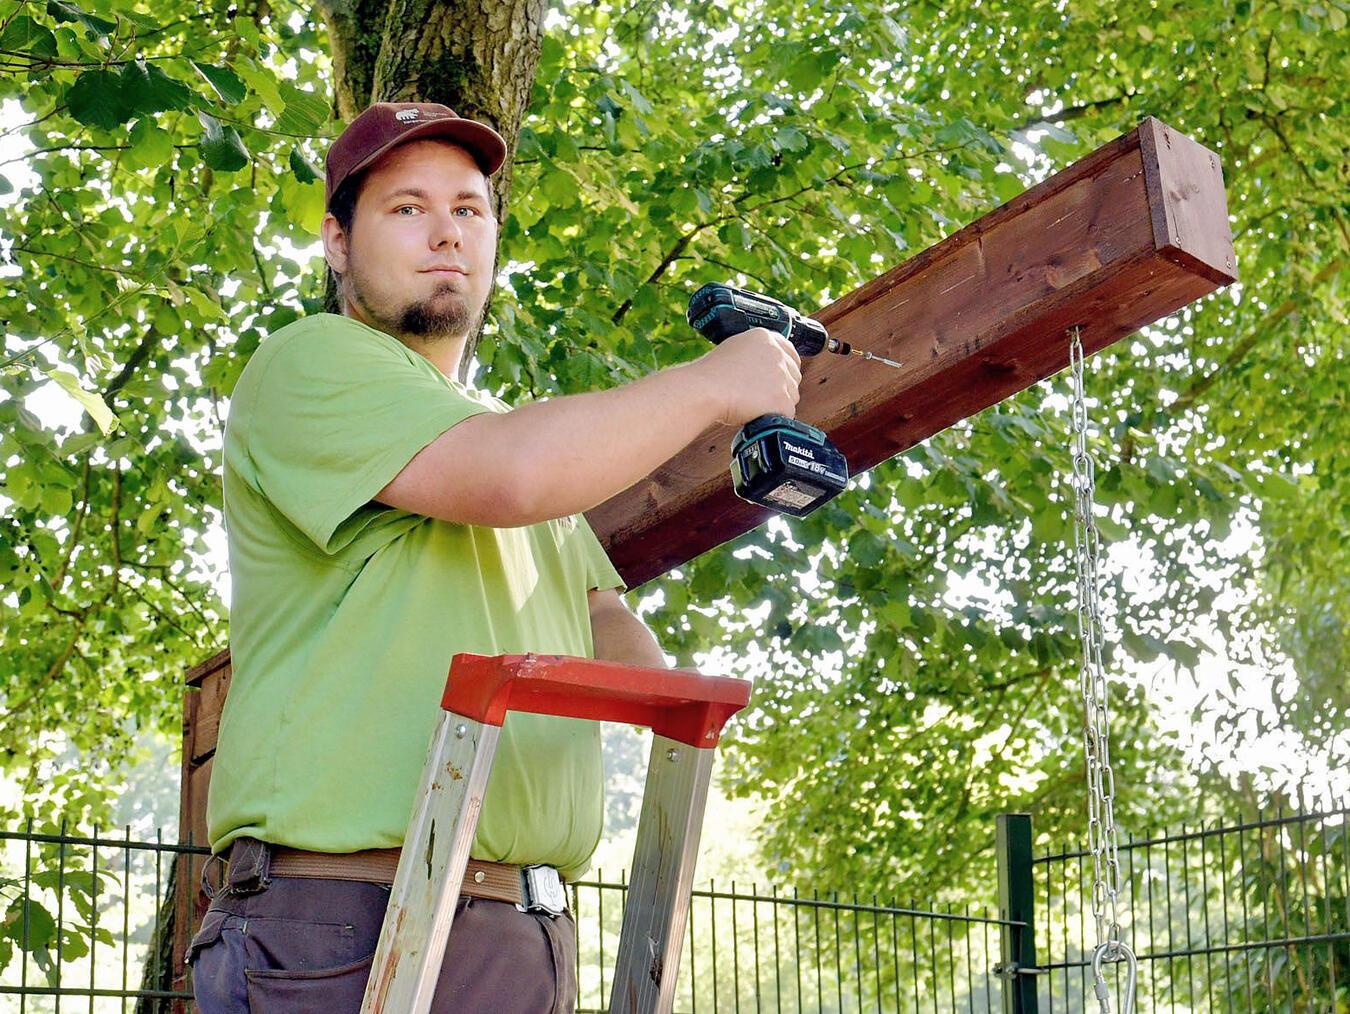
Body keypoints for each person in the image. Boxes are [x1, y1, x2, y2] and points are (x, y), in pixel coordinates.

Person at [188, 101, 802, 1014]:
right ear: (336, 242)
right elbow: (511, 477)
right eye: (407, 208)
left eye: (469, 210)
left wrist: (676, 699)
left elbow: (599, 617)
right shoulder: (308, 363)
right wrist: (715, 384)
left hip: (521, 924)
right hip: (346, 919)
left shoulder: (504, 435)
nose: (445, 234)